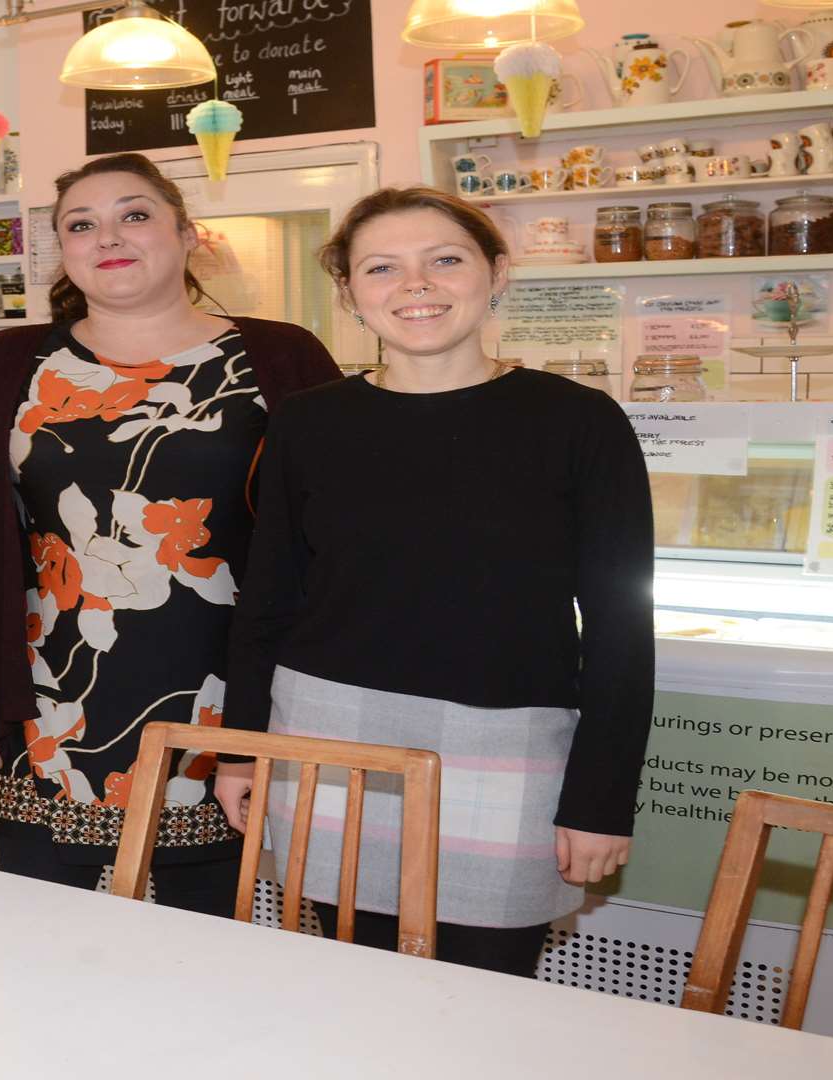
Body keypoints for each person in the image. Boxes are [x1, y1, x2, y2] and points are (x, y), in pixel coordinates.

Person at [222, 186, 654, 976]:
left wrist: (600, 799)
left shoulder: (578, 422)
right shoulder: (308, 422)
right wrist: (241, 750)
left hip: (509, 748)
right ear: (350, 294)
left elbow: (624, 630)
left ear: (495, 275)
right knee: (356, 984)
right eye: (382, 268)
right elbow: (269, 598)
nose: (415, 286)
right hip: (327, 731)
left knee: (486, 995)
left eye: (444, 261)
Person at [0, 153, 341, 914]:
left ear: (188, 236)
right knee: (43, 929)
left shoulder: (280, 356)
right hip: (52, 696)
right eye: (81, 225)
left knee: (214, 936)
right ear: (64, 251)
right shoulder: (6, 363)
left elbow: (332, 531)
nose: (108, 236)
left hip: (230, 696)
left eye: (135, 214)